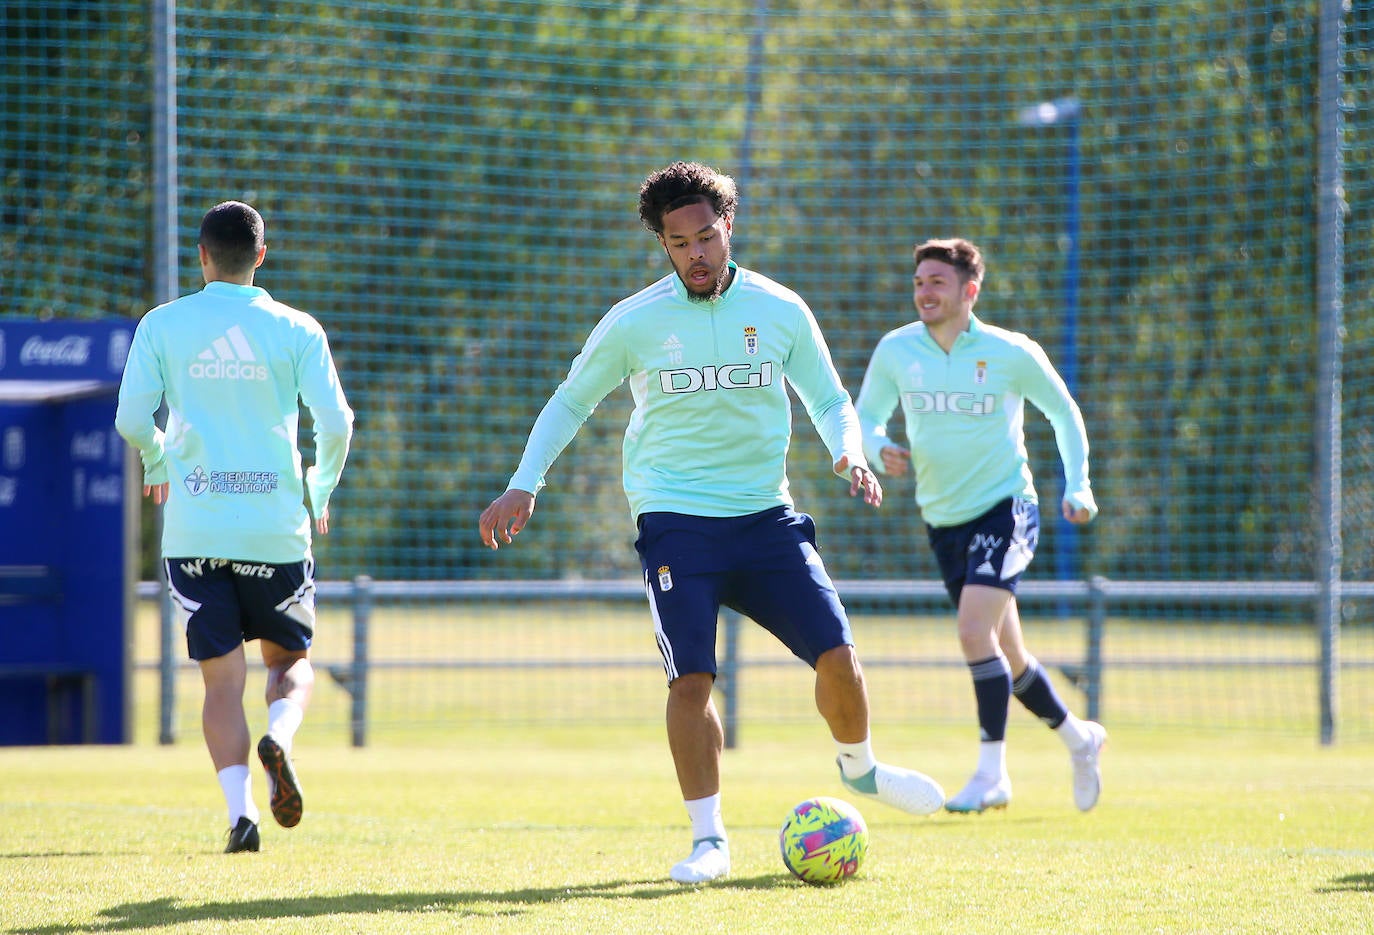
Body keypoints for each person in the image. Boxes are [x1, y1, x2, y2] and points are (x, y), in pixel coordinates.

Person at [479, 161, 945, 885]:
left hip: (766, 516)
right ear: (662, 245)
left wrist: (849, 452)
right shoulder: (635, 321)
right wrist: (522, 484)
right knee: (690, 677)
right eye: (678, 242)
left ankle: (860, 769)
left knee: (841, 658)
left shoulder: (781, 308)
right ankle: (709, 839)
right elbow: (571, 400)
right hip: (676, 519)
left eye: (706, 235)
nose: (696, 253)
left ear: (730, 227)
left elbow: (829, 399)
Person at [115, 201, 354, 853]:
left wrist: (158, 457)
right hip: (273, 527)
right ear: (262, 256)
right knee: (290, 663)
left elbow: (132, 417)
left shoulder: (163, 324)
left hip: (196, 530)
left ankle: (240, 815)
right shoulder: (295, 327)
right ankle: (281, 733)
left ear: (201, 256)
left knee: (221, 682)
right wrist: (320, 485)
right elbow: (336, 422)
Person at [854, 237, 1106, 814]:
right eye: (919, 282)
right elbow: (867, 417)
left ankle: (992, 773)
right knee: (1008, 656)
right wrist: (879, 446)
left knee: (973, 634)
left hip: (1007, 508)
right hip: (943, 521)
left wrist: (1078, 485)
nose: (925, 292)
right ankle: (1079, 737)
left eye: (937, 282)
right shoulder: (896, 351)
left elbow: (1064, 412)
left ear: (969, 291)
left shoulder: (1010, 351)